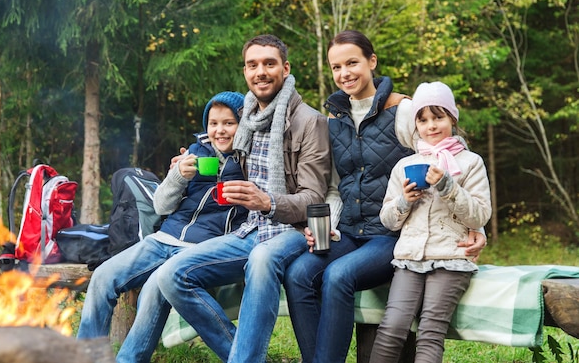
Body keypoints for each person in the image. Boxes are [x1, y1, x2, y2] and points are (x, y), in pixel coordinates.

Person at [283, 30, 487, 363]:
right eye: (336, 67)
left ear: (371, 62)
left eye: (352, 63)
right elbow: (336, 186)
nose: (344, 73)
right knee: (298, 275)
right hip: (348, 231)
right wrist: (329, 226)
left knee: (338, 276)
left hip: (391, 234)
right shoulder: (335, 119)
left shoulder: (404, 111)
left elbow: (447, 160)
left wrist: (476, 230)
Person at [155, 34, 331, 362]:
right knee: (170, 274)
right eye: (253, 65)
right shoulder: (246, 120)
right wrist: (183, 164)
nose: (260, 71)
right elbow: (218, 148)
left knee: (263, 258)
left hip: (292, 232)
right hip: (249, 230)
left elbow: (313, 198)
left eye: (269, 63)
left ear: (285, 68)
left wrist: (268, 202)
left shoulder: (309, 122)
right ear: (245, 71)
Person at [76, 91, 248, 363]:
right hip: (164, 238)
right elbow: (161, 206)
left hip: (204, 247)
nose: (220, 130)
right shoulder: (195, 152)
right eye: (214, 123)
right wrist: (178, 176)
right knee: (103, 277)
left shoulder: (249, 158)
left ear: (243, 123)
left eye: (229, 123)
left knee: (155, 288)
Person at [369, 81, 492, 363]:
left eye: (438, 117)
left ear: (452, 118)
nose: (431, 126)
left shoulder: (471, 162)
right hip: (410, 259)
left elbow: (480, 215)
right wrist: (405, 200)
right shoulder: (404, 165)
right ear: (416, 125)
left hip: (451, 258)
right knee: (391, 328)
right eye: (423, 120)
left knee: (430, 331)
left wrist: (448, 186)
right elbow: (388, 220)